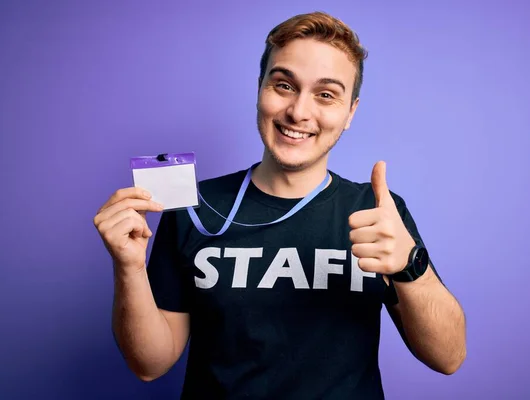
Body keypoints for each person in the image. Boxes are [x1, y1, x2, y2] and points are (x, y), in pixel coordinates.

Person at [93, 11, 467, 399]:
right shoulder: (194, 207)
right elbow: (150, 365)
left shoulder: (378, 212)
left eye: (326, 94)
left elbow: (449, 357)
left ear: (350, 112)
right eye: (284, 85)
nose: (299, 112)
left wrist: (410, 266)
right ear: (260, 89)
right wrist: (130, 269)